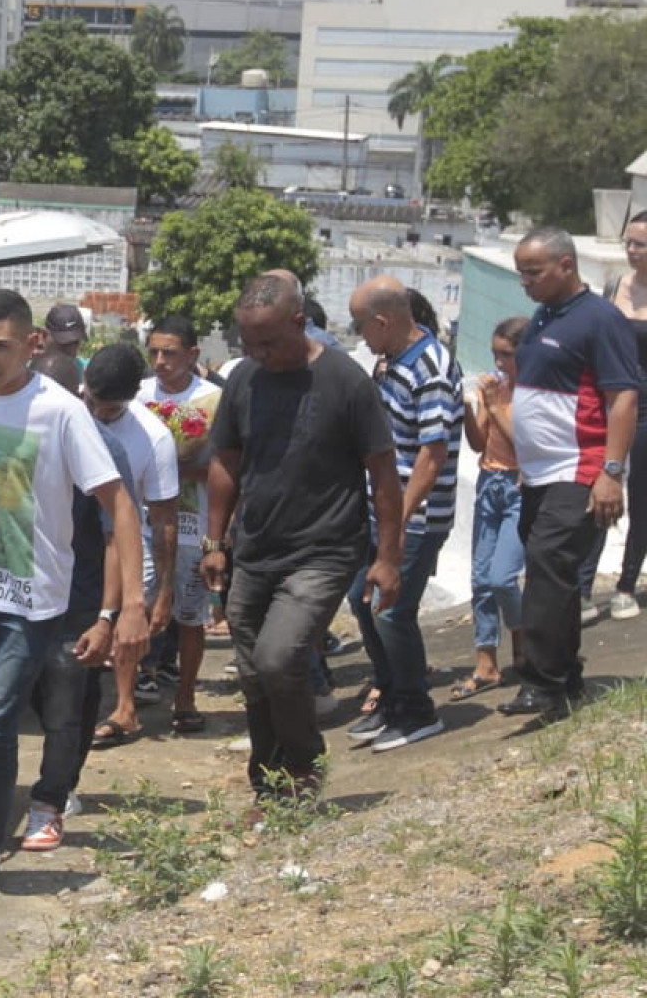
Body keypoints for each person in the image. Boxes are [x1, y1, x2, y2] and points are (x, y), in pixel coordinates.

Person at [0, 288, 147, 901]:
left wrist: (130, 607)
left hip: (32, 602)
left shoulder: (63, 413)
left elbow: (119, 504)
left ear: (32, 344)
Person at [201, 274, 402, 799]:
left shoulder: (345, 381)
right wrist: (215, 542)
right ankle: (270, 781)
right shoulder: (245, 379)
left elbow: (382, 473)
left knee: (278, 656)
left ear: (299, 322)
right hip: (255, 548)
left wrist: (387, 558)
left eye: (268, 341)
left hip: (325, 549)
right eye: (249, 342)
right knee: (253, 671)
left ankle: (304, 766)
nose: (258, 352)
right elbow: (225, 462)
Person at [500, 230, 639, 720]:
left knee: (547, 563)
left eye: (533, 272)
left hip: (581, 467)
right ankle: (567, 675)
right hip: (539, 473)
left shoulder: (600, 320)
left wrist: (612, 471)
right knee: (552, 575)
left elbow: (622, 397)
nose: (525, 282)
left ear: (565, 264)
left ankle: (542, 682)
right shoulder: (542, 317)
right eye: (521, 272)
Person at [20, 348, 134, 852]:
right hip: (19, 597)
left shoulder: (105, 447)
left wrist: (110, 614)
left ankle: (52, 796)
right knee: (32, 701)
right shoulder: (14, 439)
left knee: (69, 704)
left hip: (79, 599)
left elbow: (117, 535)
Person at [344, 275, 464, 751]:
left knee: (392, 611)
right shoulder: (392, 361)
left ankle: (416, 709)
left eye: (362, 326)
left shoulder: (430, 368)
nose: (361, 337)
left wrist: (398, 522)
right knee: (361, 599)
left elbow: (431, 457)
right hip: (383, 513)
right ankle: (392, 693)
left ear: (383, 320)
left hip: (414, 519)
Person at [79, 344, 181, 751]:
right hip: (75, 538)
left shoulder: (153, 439)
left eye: (110, 410)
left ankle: (125, 707)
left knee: (124, 622)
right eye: (93, 403)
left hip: (126, 540)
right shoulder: (69, 413)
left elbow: (164, 519)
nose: (98, 415)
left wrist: (164, 590)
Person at [138, 314, 224, 728]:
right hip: (143, 524)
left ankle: (186, 698)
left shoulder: (213, 400)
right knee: (137, 608)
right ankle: (129, 693)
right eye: (153, 352)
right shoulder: (137, 396)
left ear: (192, 355)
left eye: (169, 353)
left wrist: (176, 469)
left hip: (194, 524)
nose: (159, 361)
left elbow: (226, 468)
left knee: (190, 618)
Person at [456, 317, 528, 699]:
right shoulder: (497, 389)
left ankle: (524, 640)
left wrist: (497, 406)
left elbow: (528, 446)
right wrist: (472, 406)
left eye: (508, 355)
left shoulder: (532, 392)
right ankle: (486, 662)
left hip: (520, 485)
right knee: (481, 579)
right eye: (496, 354)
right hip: (490, 483)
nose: (500, 363)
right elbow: (479, 441)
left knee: (502, 577)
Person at [588, 210, 647, 622]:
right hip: (609, 404)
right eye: (629, 242)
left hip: (645, 411)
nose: (632, 250)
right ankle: (581, 586)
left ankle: (626, 584)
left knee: (641, 499)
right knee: (596, 490)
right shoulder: (614, 286)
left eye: (640, 244)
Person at [43, 303, 88, 377]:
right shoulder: (27, 374)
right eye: (64, 343)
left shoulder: (87, 371)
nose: (71, 350)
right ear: (45, 336)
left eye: (75, 343)